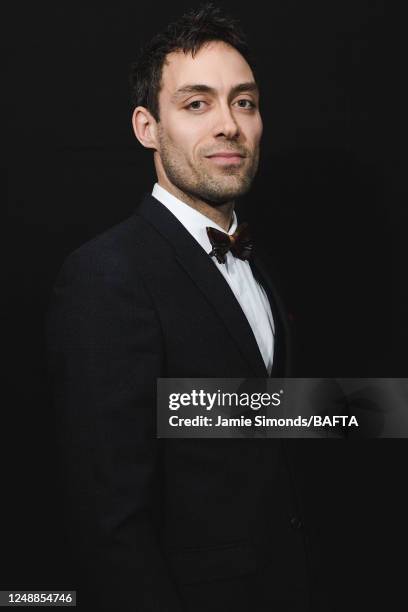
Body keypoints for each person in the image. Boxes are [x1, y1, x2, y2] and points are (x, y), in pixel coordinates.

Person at [46, 4, 335, 611]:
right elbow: (109, 523)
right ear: (147, 128)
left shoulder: (257, 261)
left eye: (245, 102)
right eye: (197, 103)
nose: (229, 125)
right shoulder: (107, 274)